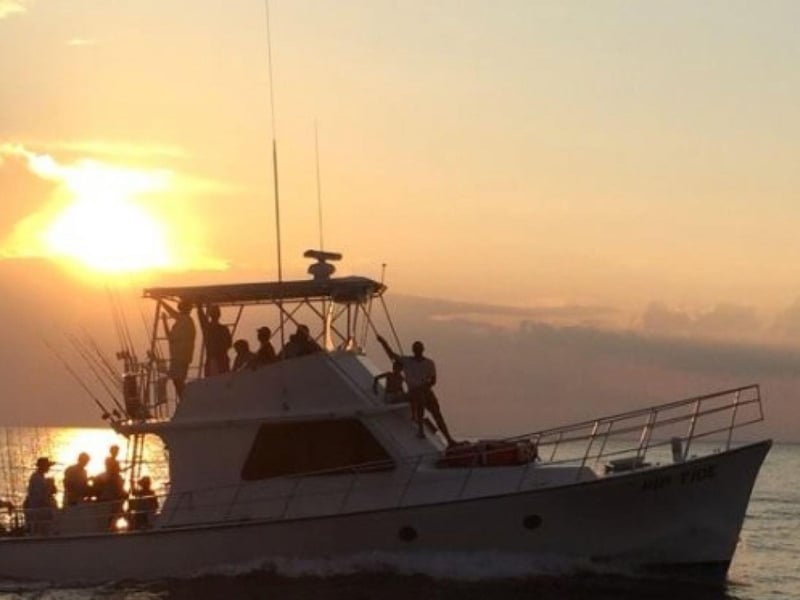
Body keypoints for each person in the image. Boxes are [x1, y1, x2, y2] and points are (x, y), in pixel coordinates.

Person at [376, 335, 457, 446]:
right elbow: (391, 354)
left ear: (422, 350)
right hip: (414, 393)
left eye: (419, 349)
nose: (417, 351)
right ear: (413, 350)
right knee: (419, 397)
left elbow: (433, 381)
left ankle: (449, 440)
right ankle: (421, 430)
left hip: (426, 391)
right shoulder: (407, 361)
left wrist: (423, 387)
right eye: (416, 349)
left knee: (437, 414)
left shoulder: (429, 363)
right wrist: (383, 342)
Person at [163, 299, 196, 400]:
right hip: (182, 357)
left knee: (177, 380)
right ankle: (185, 400)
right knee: (178, 380)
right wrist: (162, 303)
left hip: (179, 357)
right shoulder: (187, 321)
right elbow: (173, 314)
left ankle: (186, 400)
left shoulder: (184, 321)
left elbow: (170, 336)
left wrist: (164, 321)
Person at [23, 457, 58, 535]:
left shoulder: (40, 477)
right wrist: (49, 486)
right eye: (47, 466)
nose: (49, 468)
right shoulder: (36, 478)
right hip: (38, 510)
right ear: (42, 466)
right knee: (41, 529)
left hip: (41, 509)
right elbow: (39, 496)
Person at [93, 456, 128, 529]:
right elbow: (96, 488)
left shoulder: (117, 477)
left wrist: (124, 494)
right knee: (106, 520)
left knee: (118, 516)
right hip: (105, 501)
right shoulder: (103, 476)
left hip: (115, 502)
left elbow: (120, 490)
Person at [197, 304, 232, 376]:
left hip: (213, 359)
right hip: (222, 360)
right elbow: (229, 344)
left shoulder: (208, 328)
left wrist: (199, 307)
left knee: (211, 383)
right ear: (219, 315)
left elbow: (202, 318)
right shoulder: (224, 329)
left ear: (210, 315)